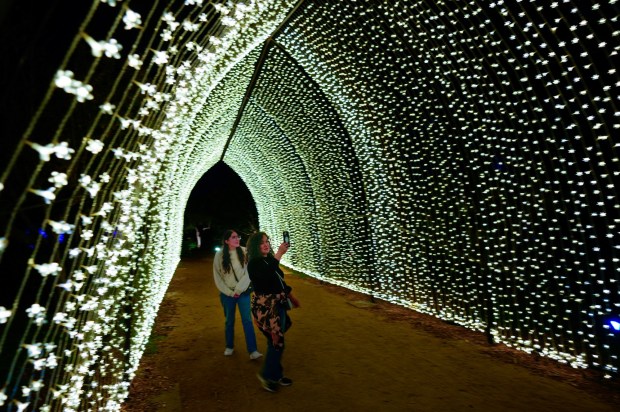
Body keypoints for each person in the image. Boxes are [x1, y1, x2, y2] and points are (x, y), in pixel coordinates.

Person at [246, 231, 300, 392]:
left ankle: (275, 375)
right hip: (267, 308)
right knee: (276, 342)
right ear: (256, 246)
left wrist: (291, 296)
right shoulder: (254, 263)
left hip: (278, 304)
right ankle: (267, 375)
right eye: (262, 242)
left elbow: (278, 280)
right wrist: (279, 254)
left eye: (267, 241)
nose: (266, 244)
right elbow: (267, 275)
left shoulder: (268, 260)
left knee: (276, 341)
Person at [213, 229, 262, 360]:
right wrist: (229, 292)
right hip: (227, 294)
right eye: (234, 237)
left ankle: (253, 350)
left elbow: (248, 273)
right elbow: (218, 277)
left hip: (242, 293)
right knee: (229, 321)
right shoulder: (219, 255)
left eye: (238, 237)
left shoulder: (245, 251)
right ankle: (229, 346)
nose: (237, 239)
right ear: (226, 241)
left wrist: (238, 290)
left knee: (247, 321)